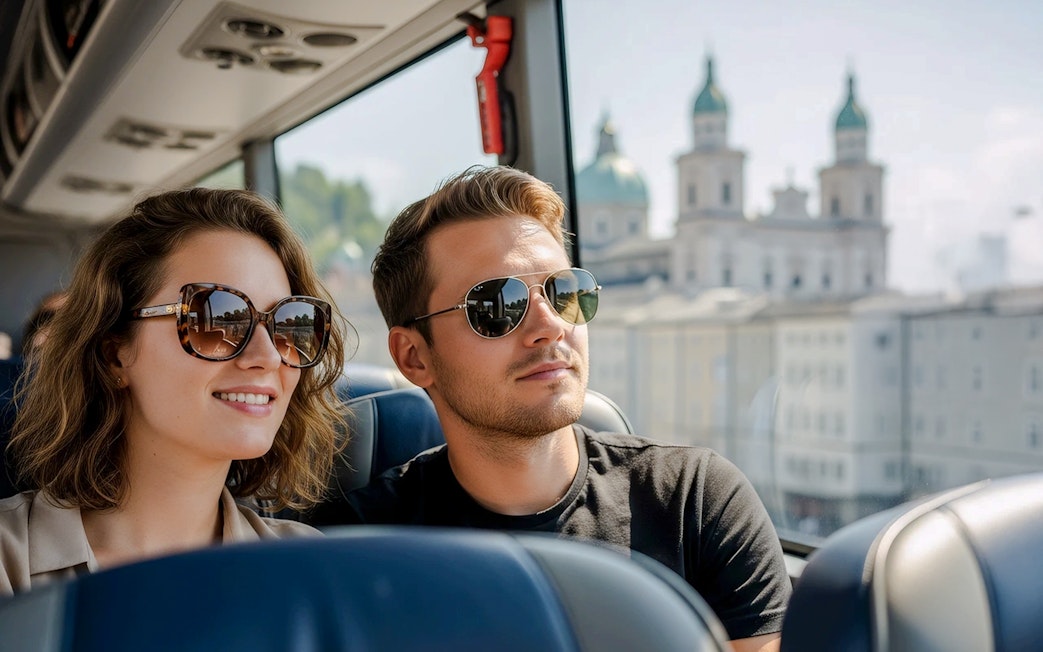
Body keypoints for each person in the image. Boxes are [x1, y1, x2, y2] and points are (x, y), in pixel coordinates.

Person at [342, 166, 790, 652]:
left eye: (565, 293)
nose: (550, 326)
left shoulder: (694, 502)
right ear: (414, 356)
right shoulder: (356, 550)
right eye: (497, 305)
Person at [0, 188, 347, 595]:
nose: (269, 356)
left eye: (290, 323)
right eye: (217, 318)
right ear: (114, 355)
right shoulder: (9, 565)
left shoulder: (315, 570)